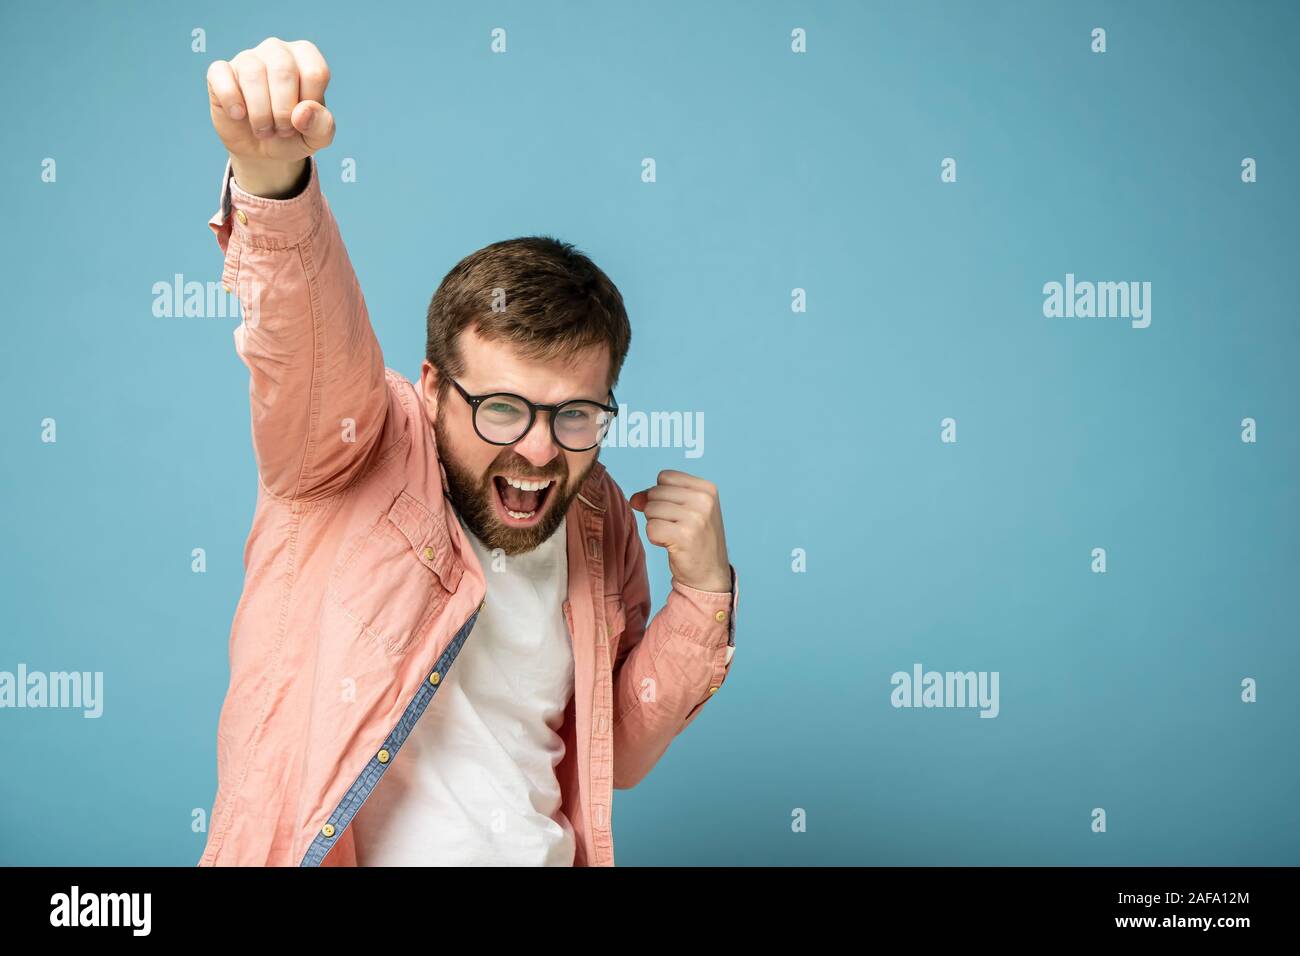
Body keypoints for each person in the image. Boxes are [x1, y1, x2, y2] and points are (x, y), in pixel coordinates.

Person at [197, 36, 739, 867]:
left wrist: (701, 592)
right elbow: (309, 333)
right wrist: (277, 186)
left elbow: (615, 754)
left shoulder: (599, 520)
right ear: (434, 387)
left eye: (575, 416)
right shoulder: (354, 445)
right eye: (501, 409)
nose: (537, 449)